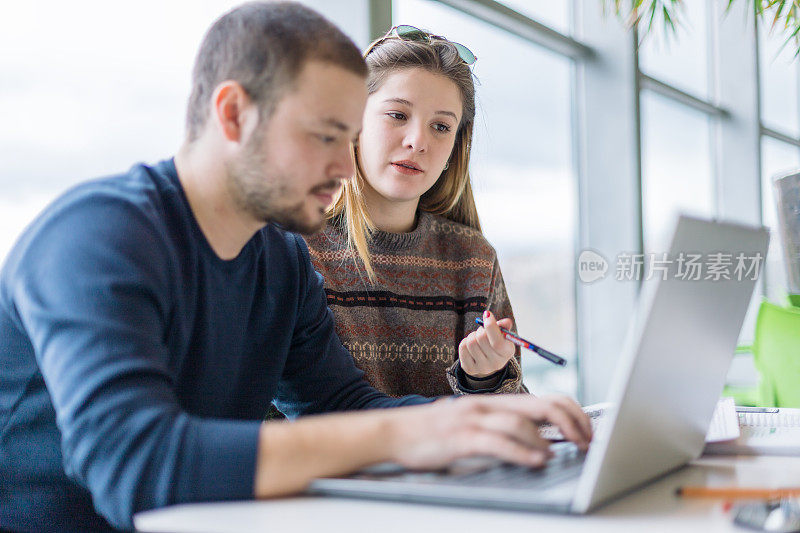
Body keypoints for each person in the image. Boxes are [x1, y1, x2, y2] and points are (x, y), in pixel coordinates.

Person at [0, 3, 591, 532]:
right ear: (233, 114)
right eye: (327, 135)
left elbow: (346, 407)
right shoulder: (96, 237)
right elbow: (135, 465)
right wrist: (413, 433)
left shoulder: (281, 262)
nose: (345, 163)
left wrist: (488, 416)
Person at [305, 26, 525, 397]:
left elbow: (513, 416)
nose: (418, 141)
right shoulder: (294, 247)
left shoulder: (473, 259)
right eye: (397, 115)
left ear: (456, 146)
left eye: (441, 126)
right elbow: (270, 413)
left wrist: (484, 379)